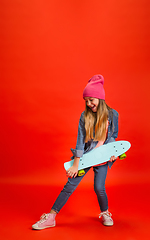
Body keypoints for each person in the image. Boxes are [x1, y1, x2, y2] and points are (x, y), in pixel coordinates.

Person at [32, 74, 119, 230]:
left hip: (103, 158)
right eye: (86, 101)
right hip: (86, 157)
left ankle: (105, 212)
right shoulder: (84, 116)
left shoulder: (113, 115)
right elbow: (80, 141)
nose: (89, 103)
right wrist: (76, 165)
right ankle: (51, 217)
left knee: (99, 188)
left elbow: (113, 136)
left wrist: (113, 153)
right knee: (70, 186)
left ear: (100, 97)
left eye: (91, 99)